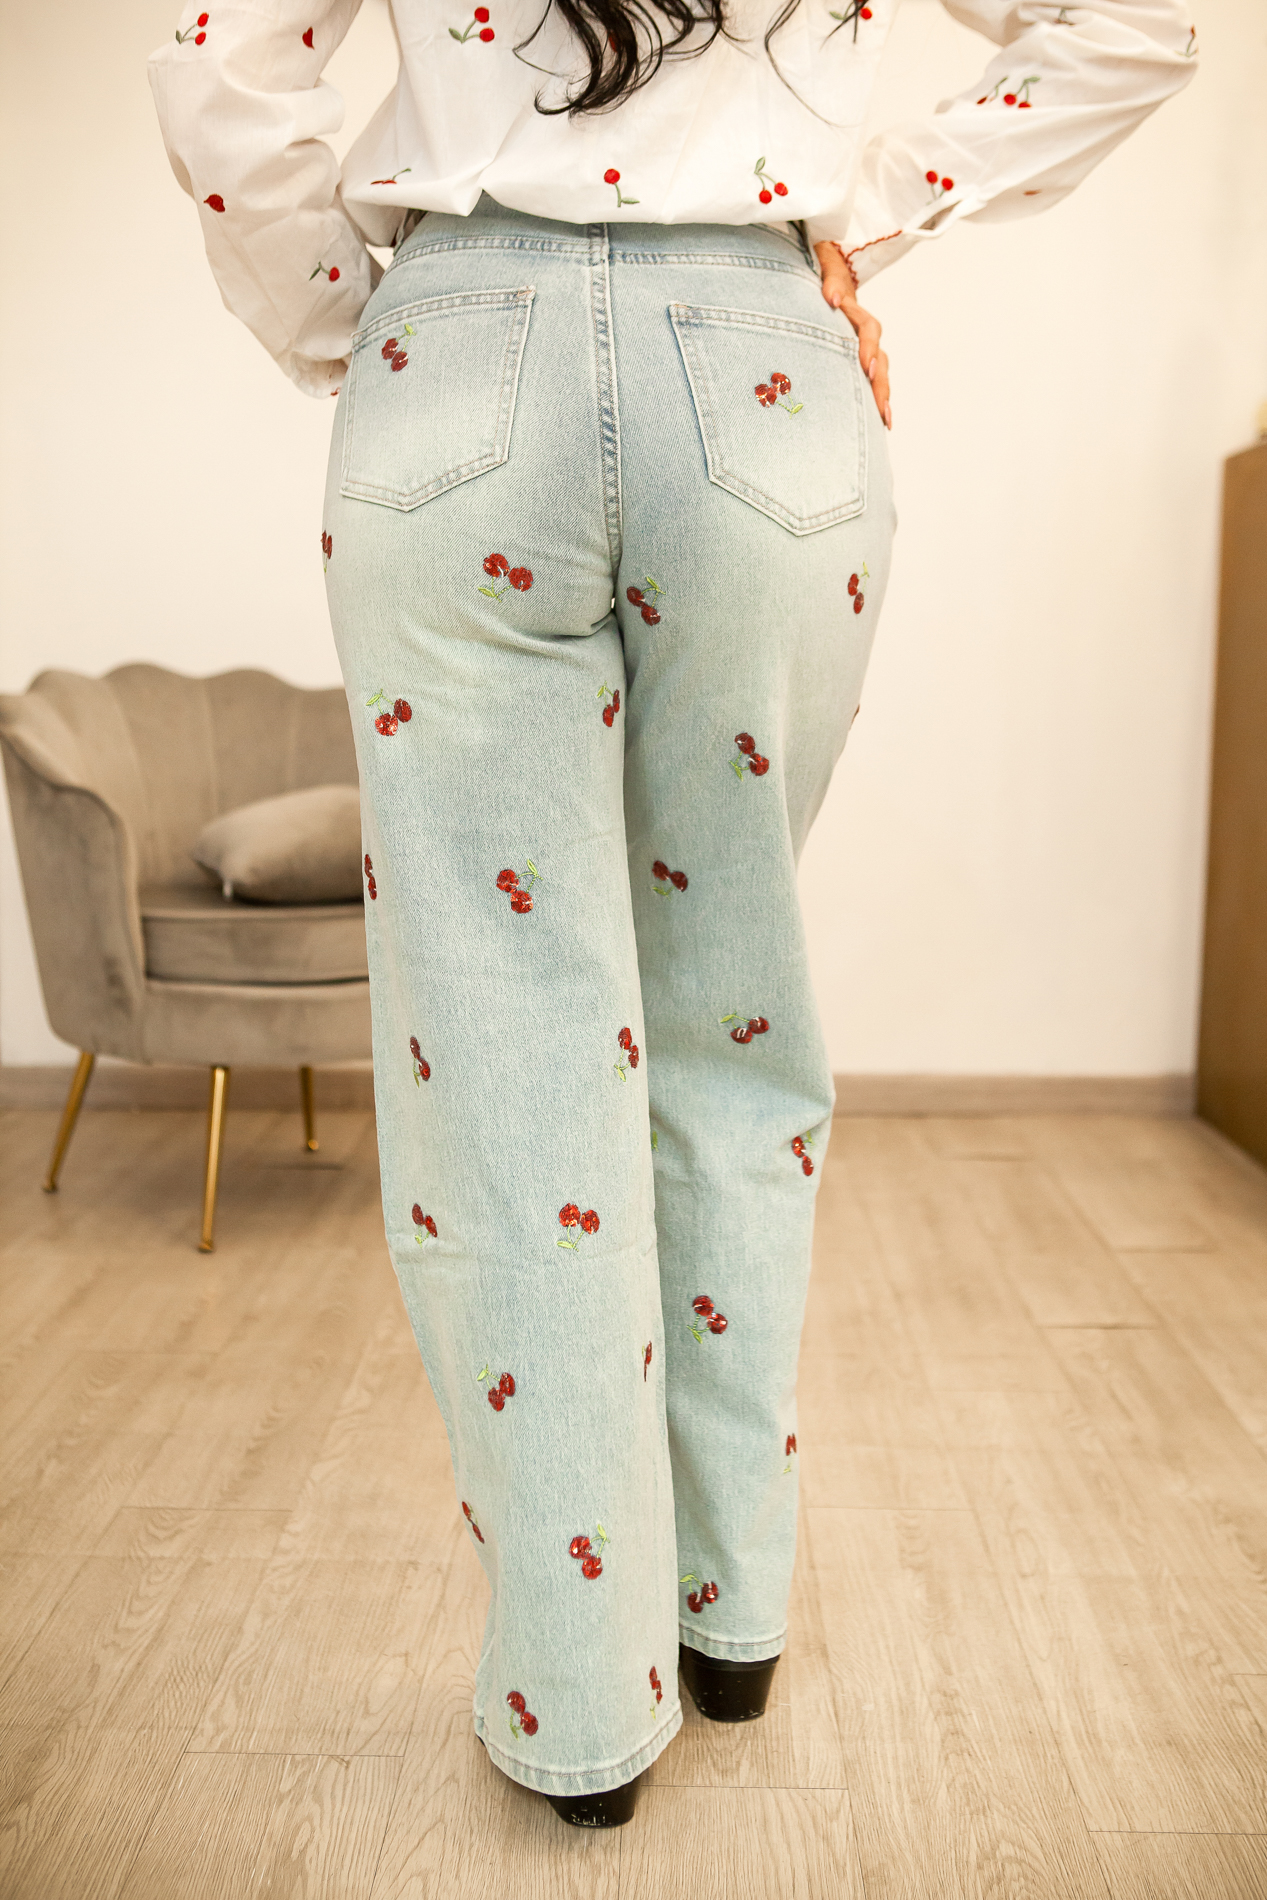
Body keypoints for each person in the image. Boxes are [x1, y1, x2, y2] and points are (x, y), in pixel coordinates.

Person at [150, 0, 1196, 1829]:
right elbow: (1134, 24)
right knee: (733, 1012)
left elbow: (219, 63)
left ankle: (580, 1702)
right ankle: (730, 1620)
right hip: (763, 373)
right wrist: (858, 208)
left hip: (458, 358)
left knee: (504, 1061)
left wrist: (354, 326)